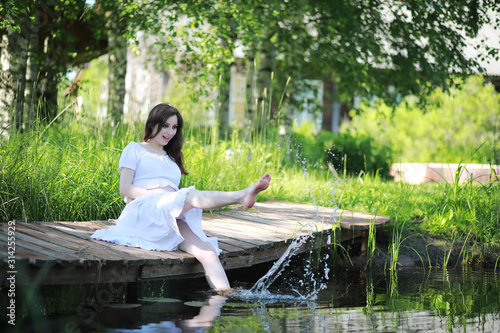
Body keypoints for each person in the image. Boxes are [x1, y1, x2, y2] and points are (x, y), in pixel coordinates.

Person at [91, 103, 271, 291]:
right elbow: (125, 188)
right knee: (190, 196)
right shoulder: (135, 149)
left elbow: (177, 198)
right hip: (145, 210)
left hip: (170, 212)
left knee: (208, 252)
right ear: (153, 124)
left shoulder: (172, 156)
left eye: (174, 127)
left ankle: (221, 303)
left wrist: (194, 228)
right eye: (166, 125)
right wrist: (157, 196)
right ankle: (241, 195)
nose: (170, 131)